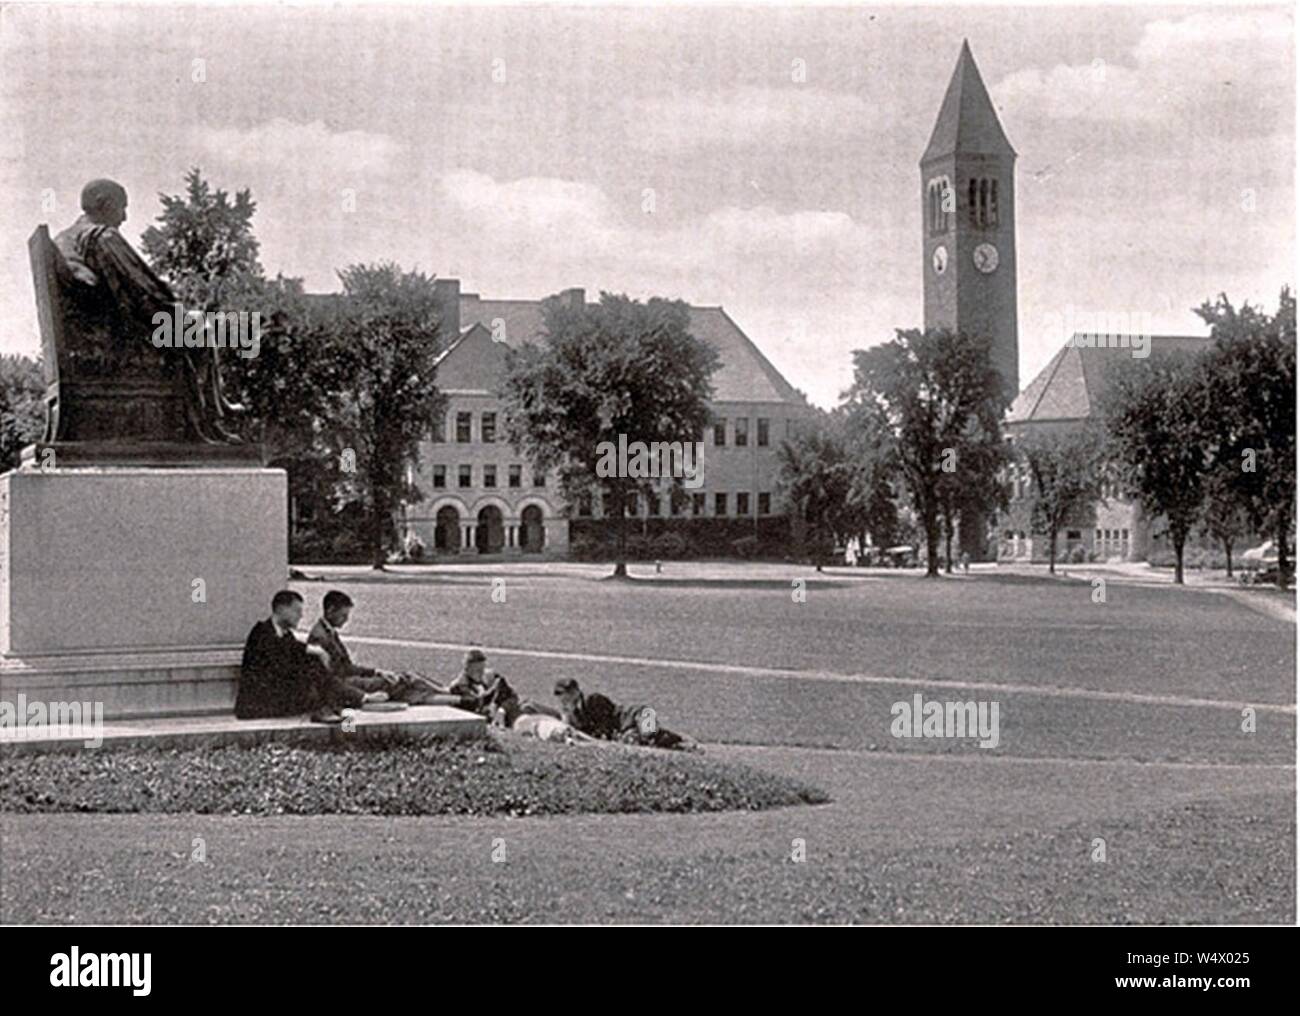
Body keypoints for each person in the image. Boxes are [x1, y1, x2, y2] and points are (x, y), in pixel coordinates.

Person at [53, 178, 240, 443]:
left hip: (90, 337)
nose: (125, 217)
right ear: (104, 204)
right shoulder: (102, 236)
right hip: (113, 341)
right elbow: (141, 289)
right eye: (122, 208)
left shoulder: (65, 237)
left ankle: (213, 410)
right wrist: (176, 311)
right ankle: (207, 425)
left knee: (191, 327)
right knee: (200, 330)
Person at [235, 590, 385, 723]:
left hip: (280, 695)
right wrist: (314, 651)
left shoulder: (286, 635)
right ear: (281, 609)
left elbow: (292, 652)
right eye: (297, 610)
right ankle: (343, 713)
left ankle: (346, 723)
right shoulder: (261, 632)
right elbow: (280, 650)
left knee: (337, 701)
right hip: (259, 704)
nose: (301, 615)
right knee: (314, 667)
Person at [307, 590, 444, 704]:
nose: (346, 620)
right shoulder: (320, 637)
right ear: (330, 611)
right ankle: (448, 693)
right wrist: (363, 696)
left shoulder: (327, 632)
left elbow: (346, 667)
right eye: (343, 615)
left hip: (347, 682)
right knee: (404, 681)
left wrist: (376, 672)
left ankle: (451, 696)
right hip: (344, 688)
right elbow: (329, 679)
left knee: (404, 685)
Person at [552, 677, 698, 751]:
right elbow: (577, 731)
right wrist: (568, 715)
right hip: (629, 728)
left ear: (576, 691)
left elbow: (605, 725)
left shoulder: (593, 699)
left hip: (640, 714)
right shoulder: (575, 712)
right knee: (642, 742)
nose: (564, 699)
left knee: (648, 734)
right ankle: (680, 745)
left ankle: (683, 741)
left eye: (567, 694)